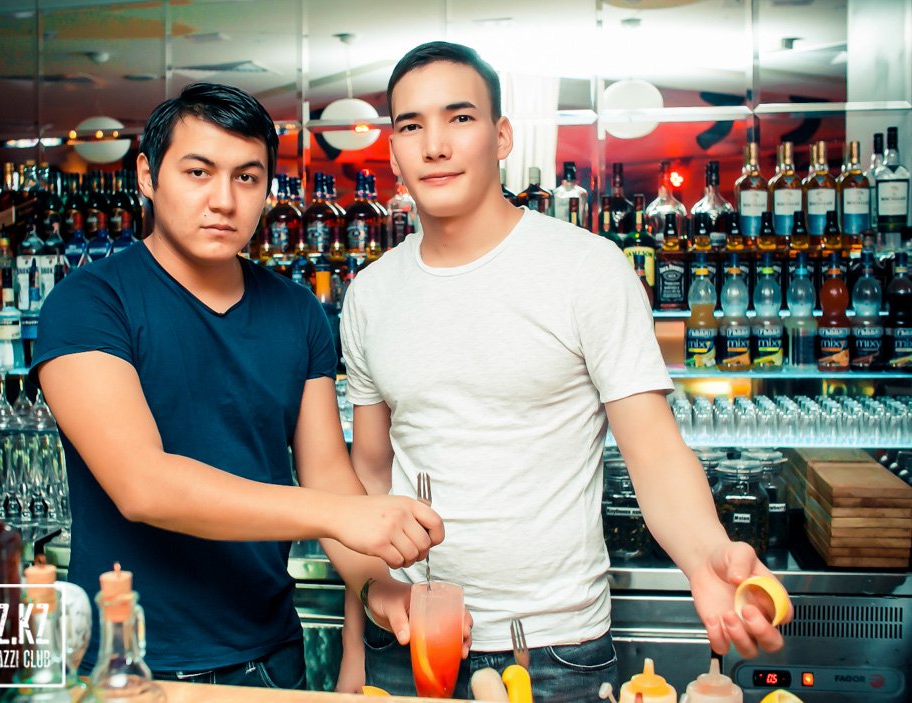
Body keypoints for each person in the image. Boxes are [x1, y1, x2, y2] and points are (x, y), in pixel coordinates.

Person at [336, 42, 791, 701]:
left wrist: (705, 556)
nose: (434, 146)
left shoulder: (587, 268)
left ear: (501, 136)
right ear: (394, 150)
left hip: (555, 648)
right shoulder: (371, 295)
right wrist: (359, 636)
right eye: (411, 125)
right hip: (407, 641)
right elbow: (369, 481)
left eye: (459, 118)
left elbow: (654, 452)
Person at [34, 82, 460, 687]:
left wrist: (377, 587)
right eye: (198, 172)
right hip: (130, 666)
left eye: (246, 178)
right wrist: (340, 516)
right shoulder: (89, 303)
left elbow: (327, 475)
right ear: (148, 176)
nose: (224, 201)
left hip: (271, 660)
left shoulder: (296, 311)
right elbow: (143, 485)